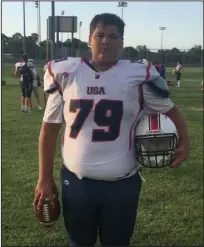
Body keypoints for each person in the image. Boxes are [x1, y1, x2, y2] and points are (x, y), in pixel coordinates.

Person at [34, 13, 190, 246]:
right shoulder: (65, 73)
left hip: (123, 183)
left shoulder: (137, 75)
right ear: (89, 38)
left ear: (122, 42)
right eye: (100, 35)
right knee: (78, 241)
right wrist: (44, 177)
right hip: (77, 181)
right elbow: (49, 129)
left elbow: (170, 110)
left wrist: (185, 141)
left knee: (117, 242)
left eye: (113, 36)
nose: (106, 41)